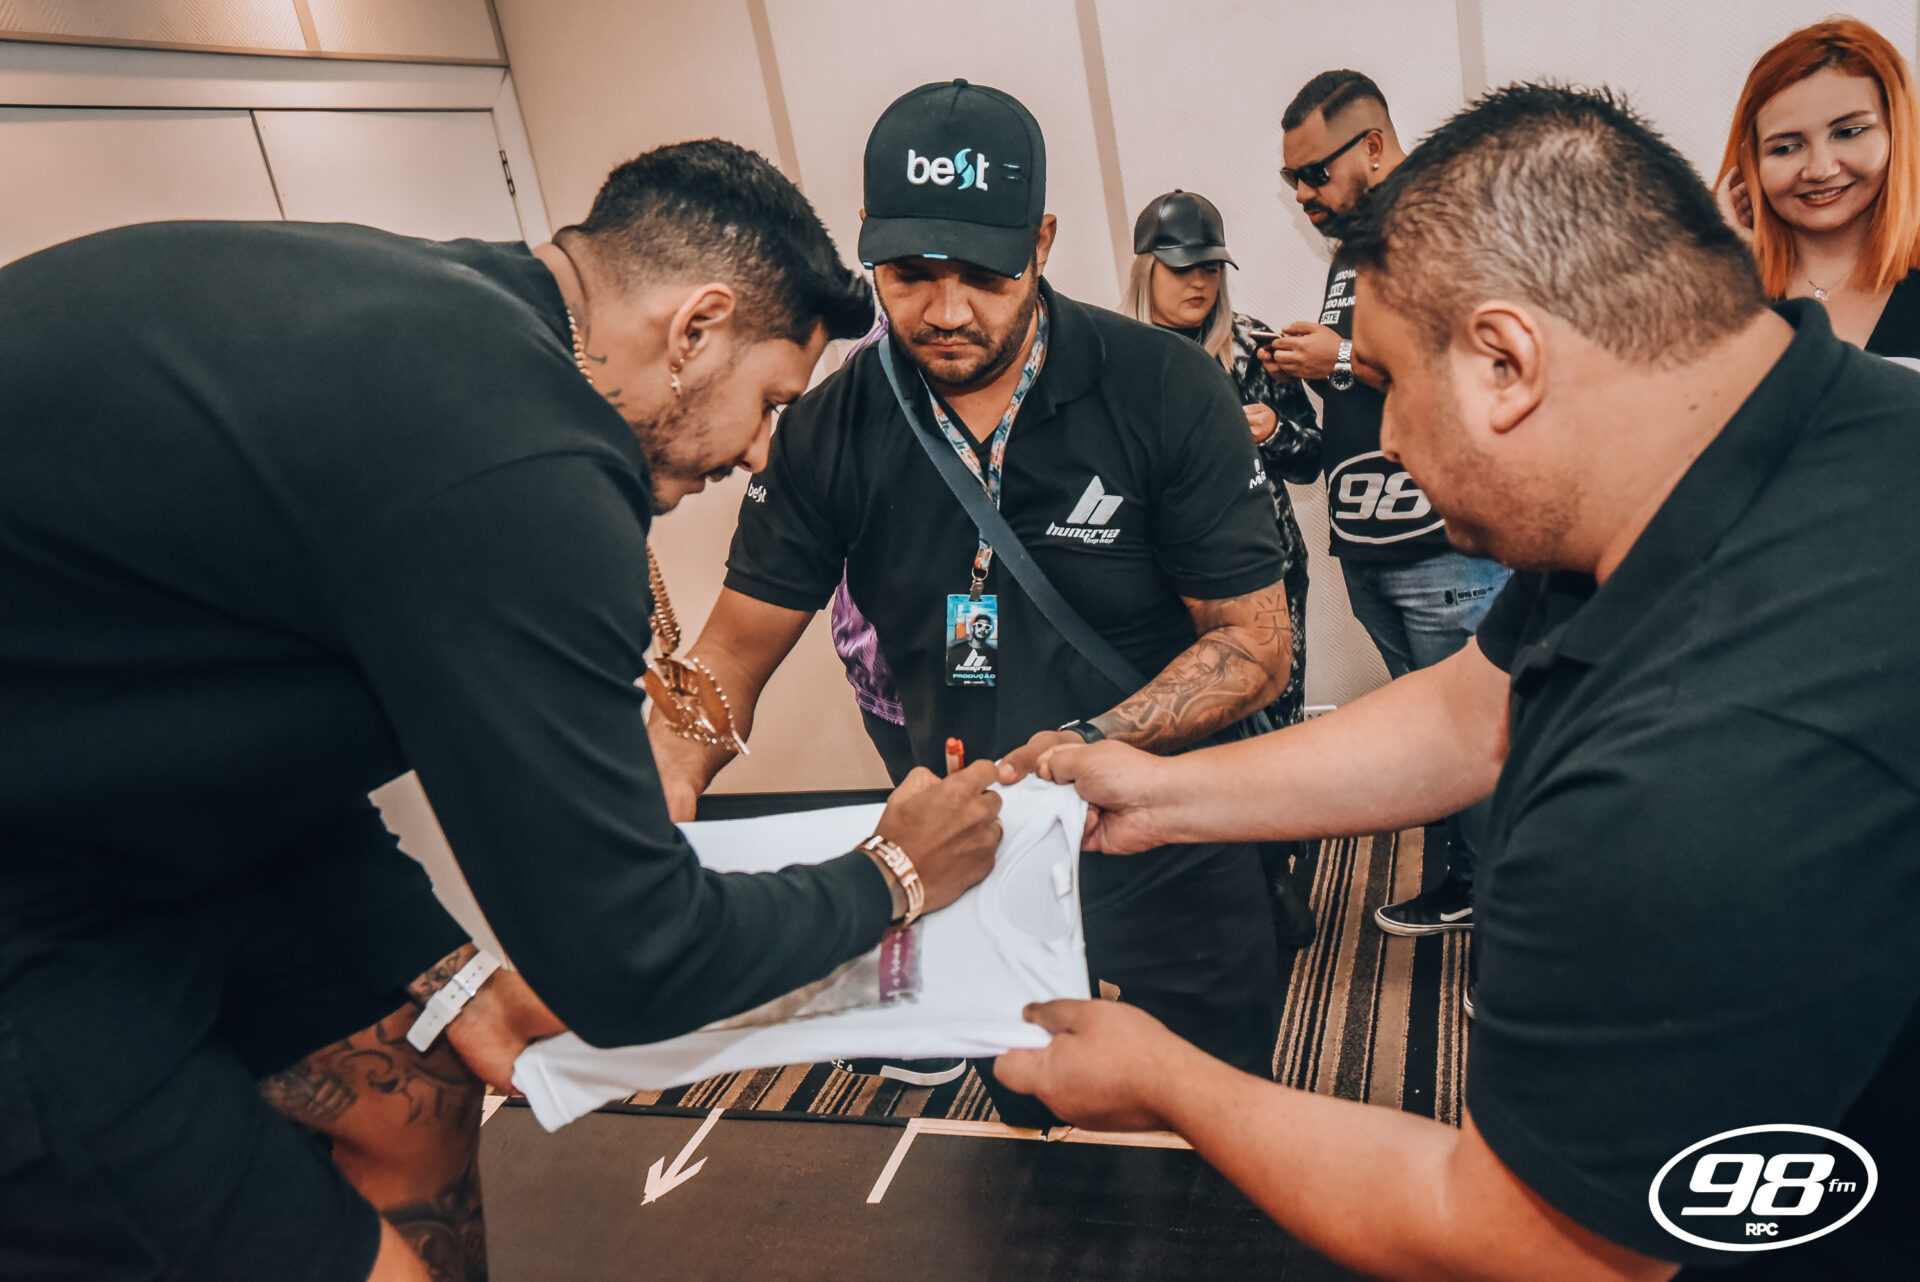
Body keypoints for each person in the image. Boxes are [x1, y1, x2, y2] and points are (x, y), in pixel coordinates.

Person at [0, 140, 1005, 1282]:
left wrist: (443, 965)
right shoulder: (522, 461)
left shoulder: (465, 328)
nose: (764, 447)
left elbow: (255, 711)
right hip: (39, 901)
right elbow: (631, 964)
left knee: (420, 1091)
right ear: (696, 328)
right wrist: (894, 876)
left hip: (120, 805)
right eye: (770, 399)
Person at [1000, 84, 1917, 1281]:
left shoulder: (1686, 773)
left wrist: (1167, 1076)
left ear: (1504, 360)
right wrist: (1164, 793)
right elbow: (1470, 709)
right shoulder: (1751, 440)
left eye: (1385, 381)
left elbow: (1516, 1237)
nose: (1381, 439)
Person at [650, 80, 1295, 1120]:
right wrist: (664, 774)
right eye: (911, 273)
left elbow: (1255, 644)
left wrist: (1080, 748)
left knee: (1217, 1127)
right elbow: (729, 653)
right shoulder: (826, 428)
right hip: (975, 858)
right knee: (1033, 1130)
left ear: (1042, 243)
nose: (947, 312)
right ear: (868, 240)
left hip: (1169, 833)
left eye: (985, 275)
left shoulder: (1165, 388)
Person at [1268, 69, 1511, 944]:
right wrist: (1316, 363)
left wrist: (1335, 359)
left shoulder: (1439, 224)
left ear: (1374, 146)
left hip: (1442, 546)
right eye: (1292, 179)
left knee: (1479, 740)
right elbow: (1375, 369)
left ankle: (1512, 928)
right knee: (1437, 741)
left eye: (1315, 173)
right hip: (1373, 541)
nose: (1304, 194)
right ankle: (1468, 885)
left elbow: (1469, 364)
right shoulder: (1353, 246)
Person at [1120, 188, 1320, 944]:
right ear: (1146, 269)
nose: (1198, 282)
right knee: (1193, 730)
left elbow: (1312, 458)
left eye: (1209, 267)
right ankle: (1215, 883)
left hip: (1270, 569)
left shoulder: (1254, 348)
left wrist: (1273, 431)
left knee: (1277, 725)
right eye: (1181, 267)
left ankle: (1275, 874)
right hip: (1163, 586)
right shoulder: (1116, 360)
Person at [1715, 16, 1920, 356]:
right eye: (1785, 148)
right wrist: (1727, 264)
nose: (1820, 170)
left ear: (1897, 133)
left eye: (1849, 132)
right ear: (1750, 164)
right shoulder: (1711, 292)